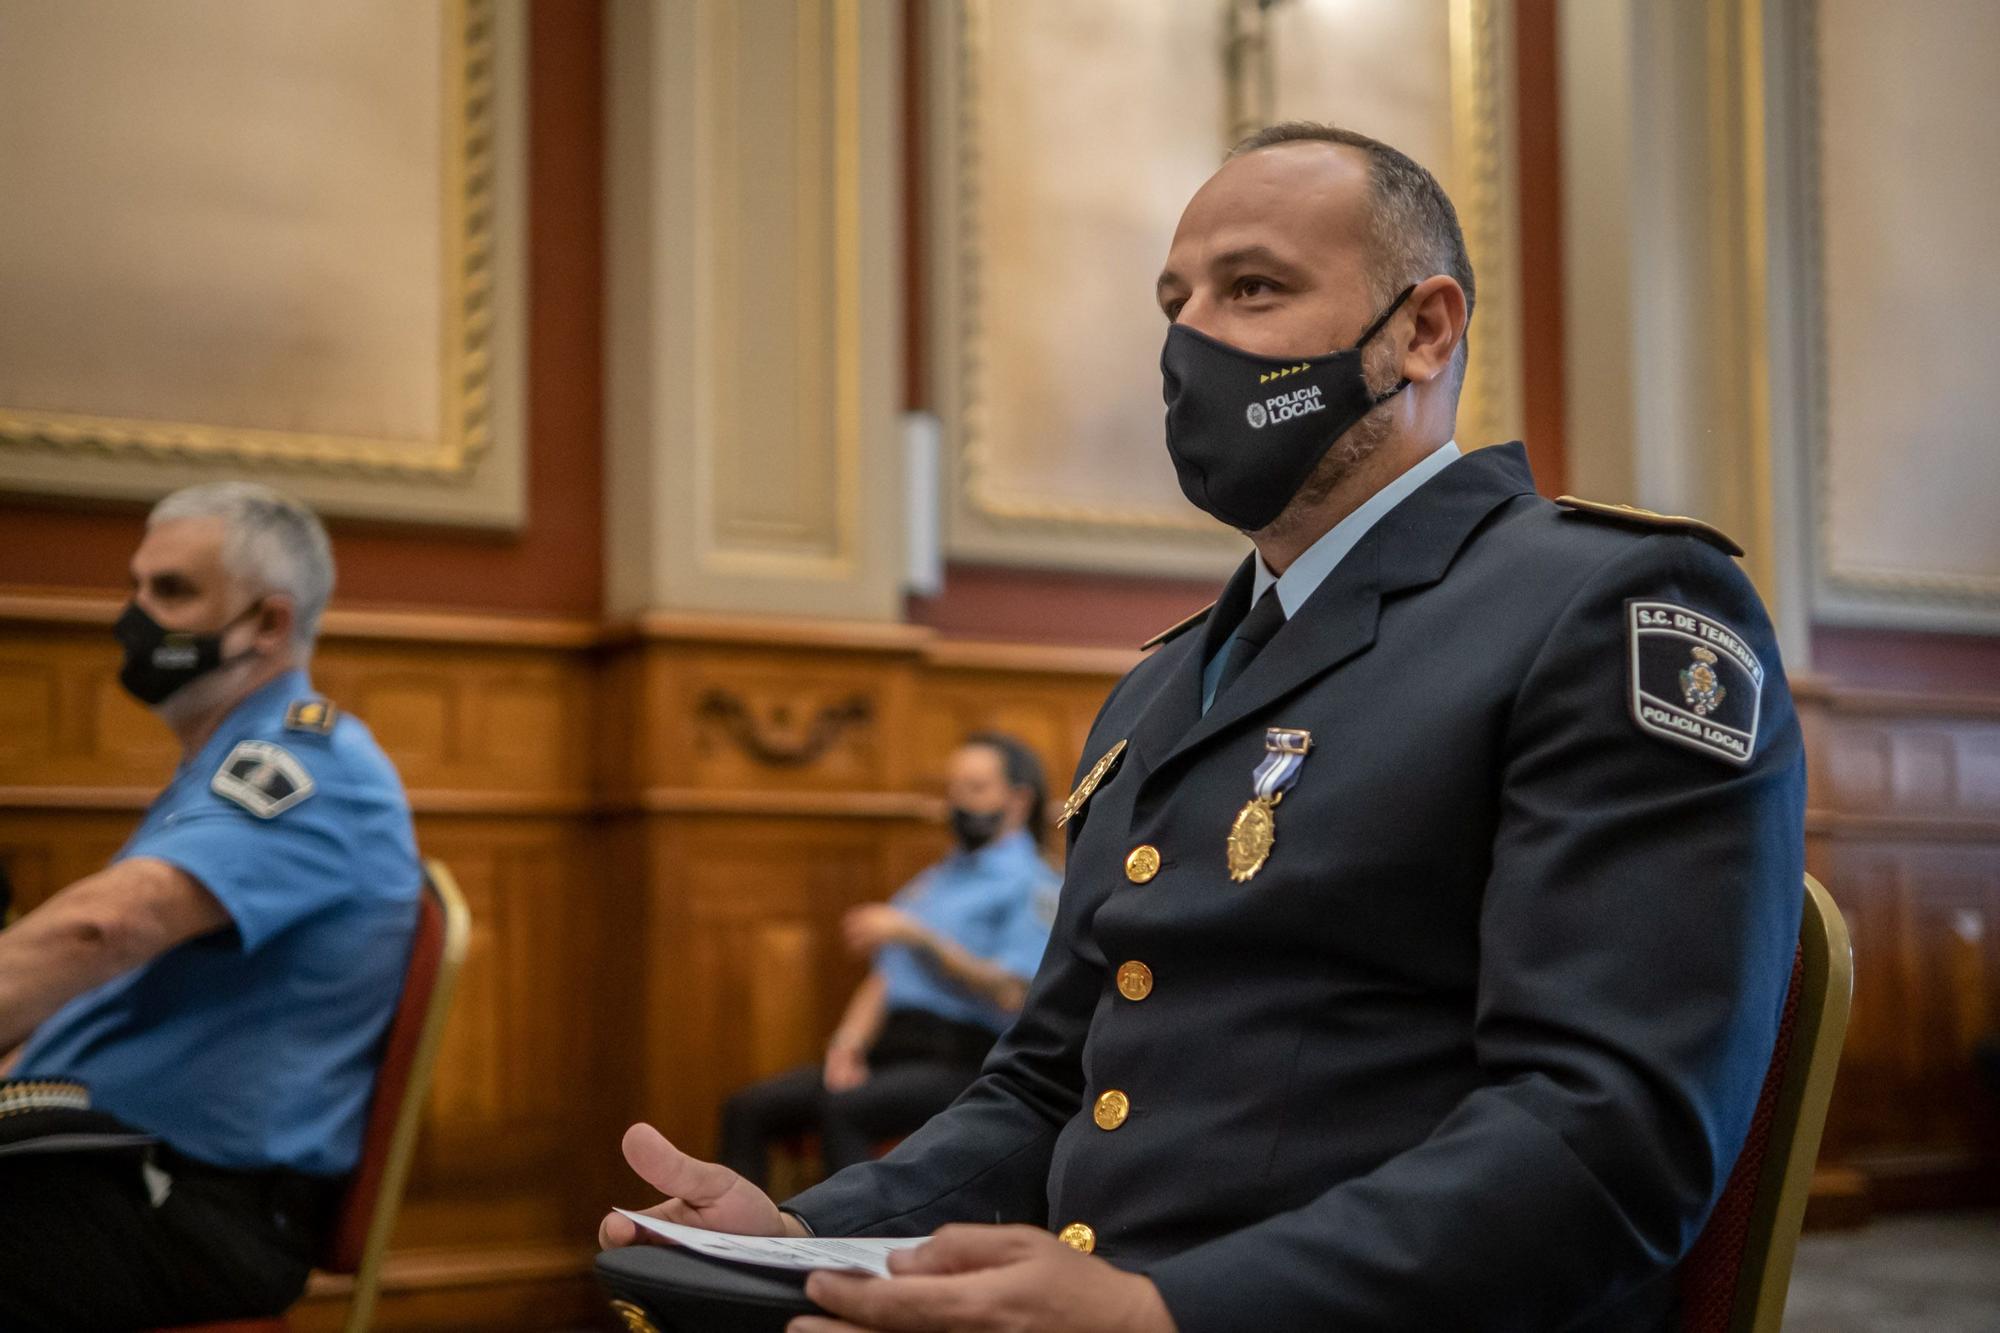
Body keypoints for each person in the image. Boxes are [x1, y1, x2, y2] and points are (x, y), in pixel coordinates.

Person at [601, 122, 1806, 1333]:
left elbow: (1602, 1132)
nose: (1192, 341)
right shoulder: (1165, 683)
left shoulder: (1604, 607)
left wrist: (1160, 1312)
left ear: (1421, 329)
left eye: (1253, 288)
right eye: (1174, 301)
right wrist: (814, 1231)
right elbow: (1044, 1084)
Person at [0, 482, 421, 1330]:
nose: (135, 615)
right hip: (118, 1166)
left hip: (194, 1205)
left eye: (173, 592)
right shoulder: (228, 756)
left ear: (269, 623)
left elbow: (107, 925)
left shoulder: (306, 767)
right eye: (137, 585)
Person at [718, 733, 1059, 1189]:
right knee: (748, 1109)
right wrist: (848, 1045)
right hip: (892, 1047)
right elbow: (887, 978)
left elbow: (1013, 991)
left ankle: (841, 1249)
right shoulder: (936, 880)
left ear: (1018, 800)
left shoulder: (1034, 887)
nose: (958, 803)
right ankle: (737, 1252)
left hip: (964, 1056)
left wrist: (923, 938)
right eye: (953, 789)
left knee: (846, 1110)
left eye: (975, 789)